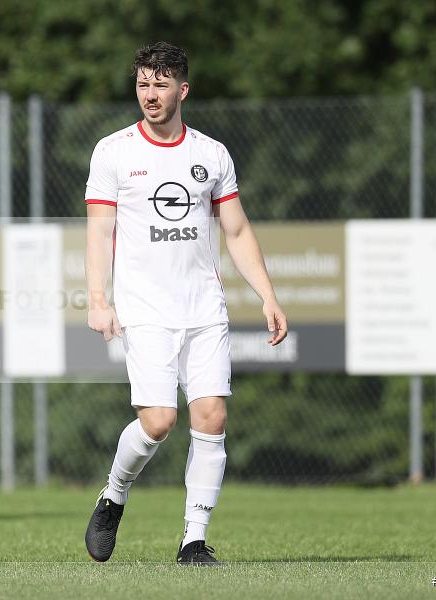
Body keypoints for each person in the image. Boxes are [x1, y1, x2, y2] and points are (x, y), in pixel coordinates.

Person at [83, 42, 287, 565]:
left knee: (212, 418)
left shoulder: (212, 154)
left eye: (161, 84)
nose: (150, 95)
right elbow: (98, 231)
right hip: (144, 310)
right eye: (143, 84)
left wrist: (267, 295)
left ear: (182, 90)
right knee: (157, 422)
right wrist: (98, 299)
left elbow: (236, 230)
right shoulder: (114, 151)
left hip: (204, 309)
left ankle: (193, 541)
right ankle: (113, 494)